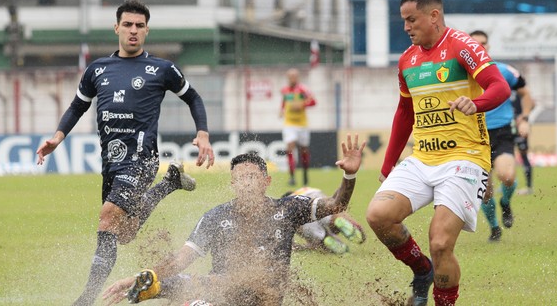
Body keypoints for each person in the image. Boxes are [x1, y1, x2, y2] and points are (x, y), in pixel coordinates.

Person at [35, 0, 215, 306]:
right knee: (124, 233)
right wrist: (57, 138)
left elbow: (194, 97)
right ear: (117, 27)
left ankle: (86, 299)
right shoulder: (97, 69)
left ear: (147, 31)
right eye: (128, 24)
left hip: (142, 159)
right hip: (112, 162)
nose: (133, 31)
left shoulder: (161, 68)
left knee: (107, 218)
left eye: (140, 26)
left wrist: (202, 133)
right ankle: (169, 183)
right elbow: (78, 105)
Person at [365, 0, 511, 306]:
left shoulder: (463, 47)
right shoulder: (407, 61)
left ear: (434, 15)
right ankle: (422, 270)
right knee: (378, 215)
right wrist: (389, 164)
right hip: (423, 158)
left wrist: (478, 103)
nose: (406, 27)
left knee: (441, 242)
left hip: (466, 158)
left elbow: (499, 87)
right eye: (403, 20)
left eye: (411, 20)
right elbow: (405, 112)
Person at [102, 134, 365, 306]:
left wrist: (349, 177)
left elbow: (336, 204)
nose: (246, 183)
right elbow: (180, 260)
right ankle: (153, 285)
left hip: (263, 299)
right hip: (218, 298)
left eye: (252, 177)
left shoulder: (288, 209)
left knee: (233, 282)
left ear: (266, 181)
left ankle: (158, 287)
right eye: (240, 178)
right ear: (232, 184)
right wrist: (135, 278)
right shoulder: (216, 217)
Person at [469, 30, 534, 242]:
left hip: (502, 132)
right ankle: (494, 228)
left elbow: (526, 95)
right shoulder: (460, 74)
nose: (480, 47)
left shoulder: (503, 71)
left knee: (507, 176)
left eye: (484, 44)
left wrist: (523, 118)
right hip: (474, 135)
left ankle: (505, 203)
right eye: (475, 43)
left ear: (488, 47)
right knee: (485, 191)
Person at [282, 186, 366, 254]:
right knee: (333, 214)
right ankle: (339, 221)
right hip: (314, 197)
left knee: (319, 239)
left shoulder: (285, 208)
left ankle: (328, 239)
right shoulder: (302, 190)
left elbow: (289, 239)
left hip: (298, 211)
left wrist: (305, 246)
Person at [279, 68, 317, 187]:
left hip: (302, 124)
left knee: (304, 150)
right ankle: (292, 177)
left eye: (295, 76)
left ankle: (305, 174)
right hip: (289, 124)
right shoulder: (285, 90)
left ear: (298, 77)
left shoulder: (303, 90)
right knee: (290, 147)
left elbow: (313, 102)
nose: (292, 79)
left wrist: (302, 104)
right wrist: (281, 110)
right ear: (288, 78)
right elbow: (284, 102)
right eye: (290, 77)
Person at [513, 92, 535, 195]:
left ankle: (529, 187)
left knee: (524, 155)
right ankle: (508, 185)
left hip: (520, 127)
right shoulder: (501, 88)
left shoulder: (520, 90)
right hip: (506, 127)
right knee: (506, 155)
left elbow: (532, 103)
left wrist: (523, 117)